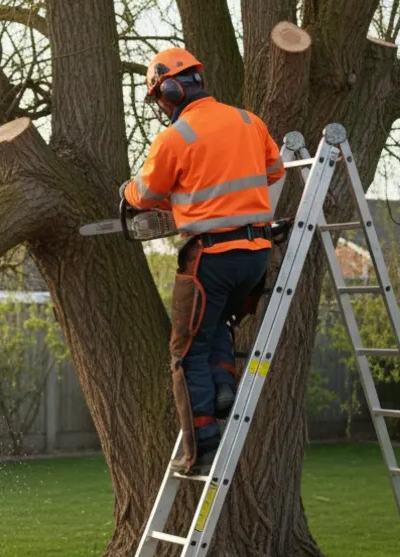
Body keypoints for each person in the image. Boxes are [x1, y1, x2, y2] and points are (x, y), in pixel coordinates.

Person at [122, 48, 285, 475]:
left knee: (185, 352)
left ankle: (202, 451)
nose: (161, 104)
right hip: (256, 256)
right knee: (213, 329)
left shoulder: (176, 137)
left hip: (212, 256)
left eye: (159, 95)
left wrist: (125, 192)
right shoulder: (250, 121)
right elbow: (273, 171)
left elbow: (146, 192)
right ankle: (223, 389)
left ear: (172, 89)